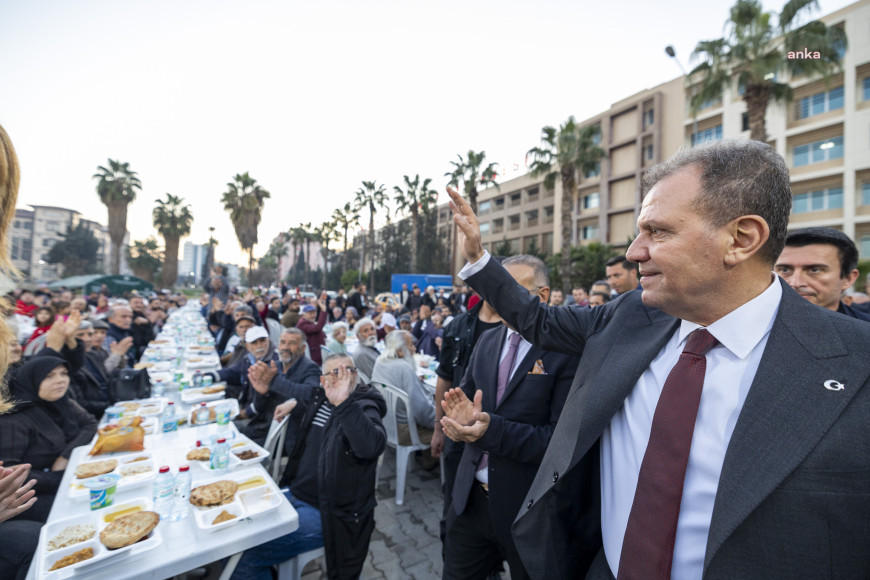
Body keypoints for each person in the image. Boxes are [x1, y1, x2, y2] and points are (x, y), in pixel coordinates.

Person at [446, 138, 870, 579]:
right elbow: (539, 321)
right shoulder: (631, 316)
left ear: (742, 239)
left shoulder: (856, 362)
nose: (633, 252)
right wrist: (478, 258)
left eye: (658, 231)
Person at [440, 255, 580, 580]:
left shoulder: (566, 350)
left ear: (542, 296)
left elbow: (559, 444)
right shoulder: (488, 340)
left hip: (527, 513)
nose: (499, 299)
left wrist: (489, 430)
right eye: (495, 289)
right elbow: (466, 399)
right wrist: (457, 420)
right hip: (469, 505)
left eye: (510, 290)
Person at [231, 354, 385, 580]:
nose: (341, 377)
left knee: (242, 556)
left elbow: (371, 446)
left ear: (356, 375)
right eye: (333, 373)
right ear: (323, 381)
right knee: (234, 537)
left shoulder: (363, 406)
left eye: (346, 371)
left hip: (329, 514)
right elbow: (302, 395)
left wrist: (344, 403)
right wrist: (288, 401)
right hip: (294, 494)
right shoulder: (320, 400)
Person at [0, 356, 97, 522]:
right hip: (34, 496)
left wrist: (65, 456)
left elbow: (90, 424)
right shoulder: (14, 420)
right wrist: (63, 476)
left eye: (63, 373)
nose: (60, 381)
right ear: (32, 379)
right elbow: (11, 473)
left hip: (65, 478)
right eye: (49, 376)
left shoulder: (61, 401)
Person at [243, 328, 320, 445]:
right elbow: (259, 407)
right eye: (282, 342)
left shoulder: (310, 368)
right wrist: (262, 393)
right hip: (260, 427)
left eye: (292, 343)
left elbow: (312, 393)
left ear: (303, 348)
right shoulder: (276, 366)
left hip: (280, 439)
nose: (285, 347)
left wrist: (274, 381)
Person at [774, 226, 870, 321]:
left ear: (848, 279)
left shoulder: (865, 330)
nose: (795, 283)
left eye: (814, 270)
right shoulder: (760, 324)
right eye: (785, 270)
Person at [371, 330, 436, 457]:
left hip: (386, 423)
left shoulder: (380, 361)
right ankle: (430, 461)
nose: (414, 348)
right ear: (400, 351)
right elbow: (422, 410)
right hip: (406, 431)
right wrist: (439, 422)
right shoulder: (404, 367)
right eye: (411, 344)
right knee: (448, 433)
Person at [297, 301, 327, 366]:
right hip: (313, 356)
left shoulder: (308, 322)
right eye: (310, 313)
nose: (313, 315)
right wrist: (323, 311)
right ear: (303, 315)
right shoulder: (302, 324)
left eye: (314, 313)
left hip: (317, 353)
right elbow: (318, 328)